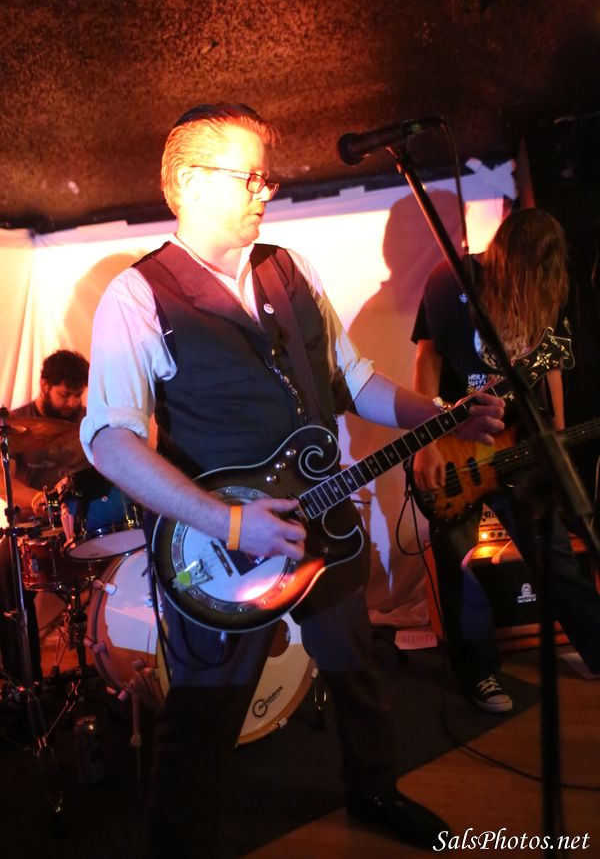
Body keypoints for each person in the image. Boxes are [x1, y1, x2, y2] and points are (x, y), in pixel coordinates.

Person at [80, 103, 504, 857]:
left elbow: (354, 380)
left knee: (357, 672)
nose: (265, 190)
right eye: (248, 176)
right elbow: (111, 443)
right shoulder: (137, 296)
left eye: (265, 176)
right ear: (190, 184)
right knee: (203, 717)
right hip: (224, 552)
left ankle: (374, 790)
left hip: (326, 523)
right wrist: (228, 522)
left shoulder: (290, 269)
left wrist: (442, 414)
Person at [410, 207, 600, 714]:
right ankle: (478, 672)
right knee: (459, 565)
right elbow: (427, 357)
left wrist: (557, 438)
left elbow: (552, 368)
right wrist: (425, 439)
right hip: (457, 446)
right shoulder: (452, 279)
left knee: (556, 559)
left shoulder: (547, 292)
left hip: (521, 445)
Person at [0, 349, 89, 683]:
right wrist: (38, 499)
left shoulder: (88, 420)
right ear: (44, 386)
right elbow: (3, 481)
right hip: (35, 529)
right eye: (65, 395)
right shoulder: (15, 425)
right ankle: (26, 681)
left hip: (84, 524)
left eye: (78, 394)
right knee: (5, 571)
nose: (72, 403)